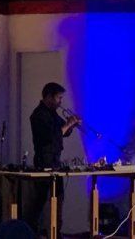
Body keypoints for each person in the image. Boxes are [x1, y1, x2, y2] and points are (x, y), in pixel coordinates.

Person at [26, 82, 81, 238]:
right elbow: (52, 136)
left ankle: (56, 233)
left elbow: (64, 132)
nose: (60, 102)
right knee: (40, 201)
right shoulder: (38, 115)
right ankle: (32, 232)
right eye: (59, 98)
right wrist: (68, 124)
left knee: (59, 198)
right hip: (44, 162)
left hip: (55, 162)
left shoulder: (53, 114)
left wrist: (72, 125)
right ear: (49, 97)